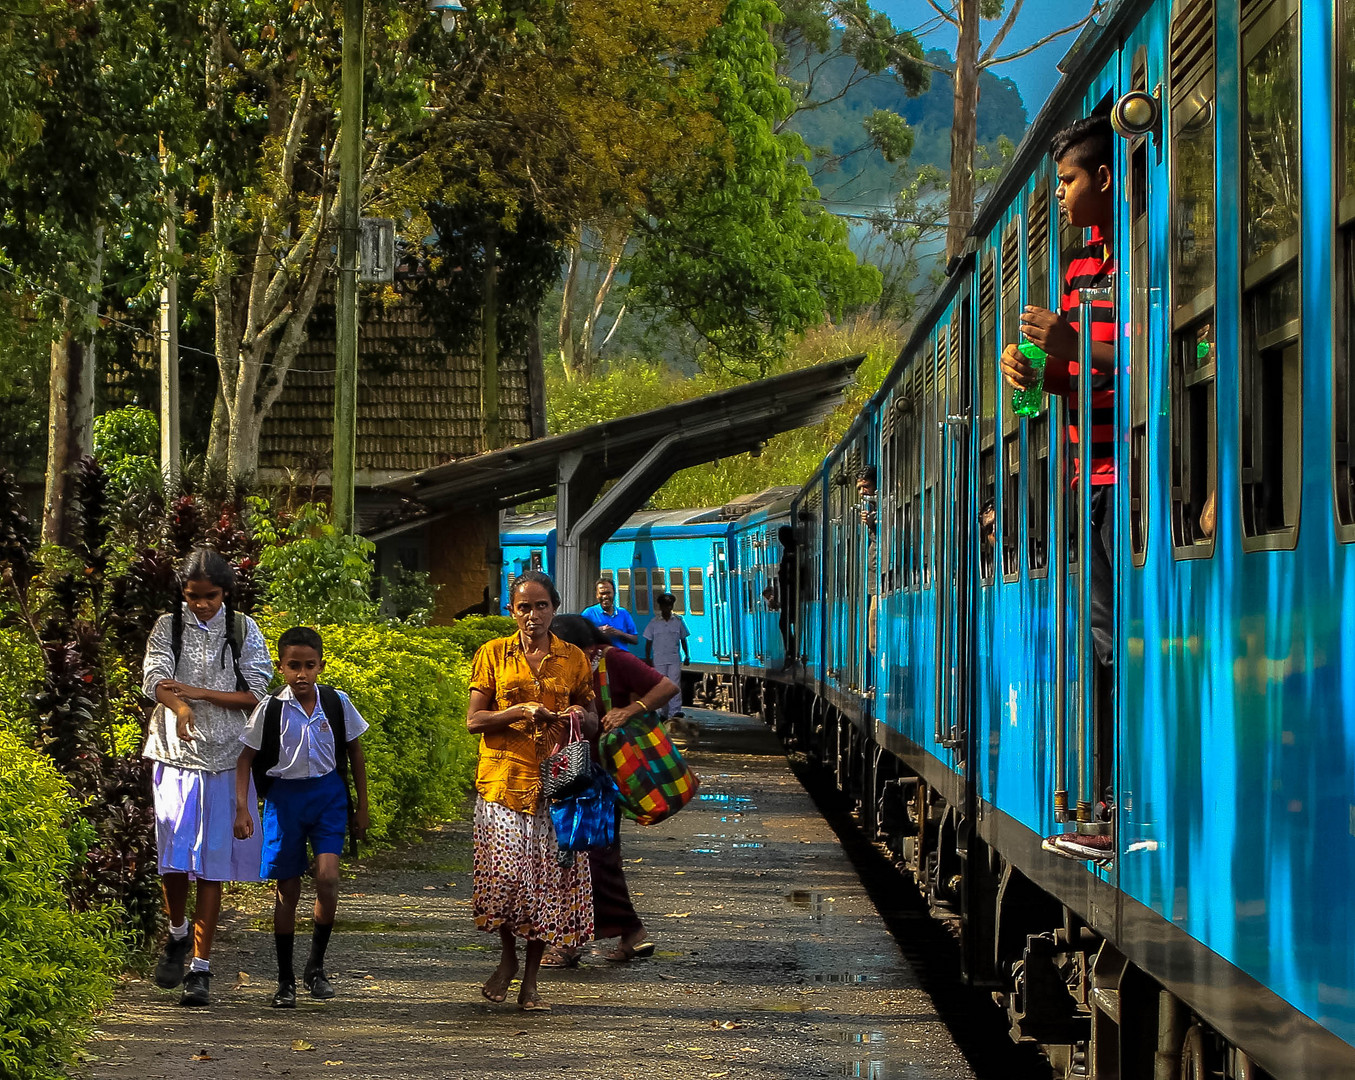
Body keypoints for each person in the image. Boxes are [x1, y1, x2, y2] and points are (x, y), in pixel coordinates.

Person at [1000, 114, 1117, 862]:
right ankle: (1105, 799)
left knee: (1115, 646)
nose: (1061, 198)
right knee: (1101, 647)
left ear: (1104, 178)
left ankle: (1114, 804)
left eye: (1068, 182)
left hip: (1126, 479)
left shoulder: (1147, 258)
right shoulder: (1078, 272)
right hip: (1087, 481)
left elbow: (1167, 360)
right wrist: (1037, 374)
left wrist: (1076, 347)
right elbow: (1080, 379)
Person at [142, 548, 273, 1007]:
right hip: (174, 756)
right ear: (183, 592)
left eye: (211, 596)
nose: (202, 604)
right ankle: (177, 933)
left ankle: (201, 968)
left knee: (212, 864)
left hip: (227, 760)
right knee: (174, 855)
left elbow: (257, 692)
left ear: (226, 593)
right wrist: (177, 707)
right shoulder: (167, 626)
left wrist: (197, 693)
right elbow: (154, 678)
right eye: (194, 596)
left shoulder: (243, 629)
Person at [466, 570, 597, 1011]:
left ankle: (532, 979)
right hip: (503, 787)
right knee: (507, 883)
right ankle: (508, 960)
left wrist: (576, 713)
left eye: (542, 606)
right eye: (524, 607)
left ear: (554, 609)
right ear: (511, 610)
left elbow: (595, 719)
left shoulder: (574, 658)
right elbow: (474, 721)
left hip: (556, 790)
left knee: (545, 887)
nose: (533, 615)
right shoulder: (492, 654)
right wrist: (520, 711)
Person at [235, 626, 370, 1008]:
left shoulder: (336, 702)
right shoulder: (270, 708)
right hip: (284, 800)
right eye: (293, 666)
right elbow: (245, 758)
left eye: (309, 666)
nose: (301, 674)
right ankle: (285, 979)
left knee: (327, 877)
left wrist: (362, 805)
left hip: (327, 795)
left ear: (321, 666)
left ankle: (316, 965)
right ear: (281, 668)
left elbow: (355, 753)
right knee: (287, 890)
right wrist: (243, 808)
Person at [548, 615, 679, 966]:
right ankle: (627, 935)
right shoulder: (567, 668)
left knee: (589, 857)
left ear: (587, 649)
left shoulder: (614, 660)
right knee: (586, 857)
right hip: (574, 775)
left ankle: (578, 940)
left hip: (603, 777)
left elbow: (667, 687)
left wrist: (629, 710)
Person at [643, 592, 690, 719]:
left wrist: (687, 655)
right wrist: (648, 658)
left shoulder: (678, 621)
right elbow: (648, 642)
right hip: (659, 659)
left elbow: (683, 639)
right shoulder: (654, 623)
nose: (667, 608)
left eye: (669, 605)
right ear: (660, 607)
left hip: (674, 658)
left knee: (674, 685)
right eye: (665, 606)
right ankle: (663, 712)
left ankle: (675, 711)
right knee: (662, 685)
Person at [856, 465, 879, 661]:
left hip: (884, 580)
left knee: (875, 628)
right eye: (860, 488)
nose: (863, 492)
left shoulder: (884, 507)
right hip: (876, 580)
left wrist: (874, 527)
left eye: (867, 486)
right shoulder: (871, 508)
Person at [581, 577, 639, 650]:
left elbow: (635, 639)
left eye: (608, 593)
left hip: (621, 657)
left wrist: (619, 633)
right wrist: (598, 631)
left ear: (614, 593)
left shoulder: (623, 613)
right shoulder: (589, 613)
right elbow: (580, 636)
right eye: (602, 593)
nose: (605, 596)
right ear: (596, 595)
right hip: (599, 658)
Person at [776, 526, 798, 661]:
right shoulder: (788, 551)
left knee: (784, 623)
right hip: (788, 598)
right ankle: (791, 650)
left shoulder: (791, 552)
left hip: (791, 597)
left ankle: (791, 651)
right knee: (784, 623)